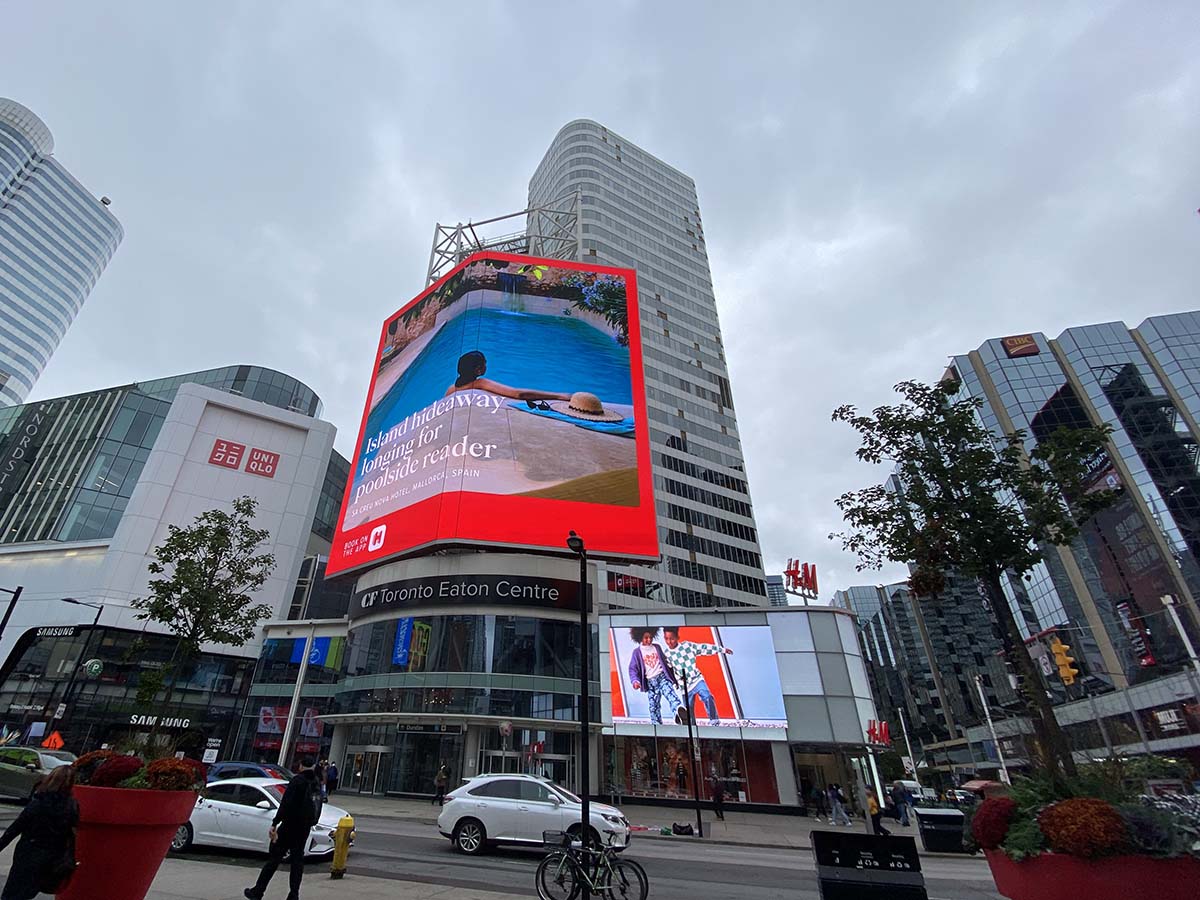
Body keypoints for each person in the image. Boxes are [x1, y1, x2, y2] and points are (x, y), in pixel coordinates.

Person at [244, 758, 322, 900]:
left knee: (274, 859)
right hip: (304, 827)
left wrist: (275, 822)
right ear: (314, 766)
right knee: (297, 861)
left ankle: (258, 891)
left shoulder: (297, 781)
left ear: (301, 766)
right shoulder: (316, 782)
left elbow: (286, 804)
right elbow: (319, 803)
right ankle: (294, 894)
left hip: (290, 825)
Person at [0, 764, 78, 899]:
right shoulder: (71, 806)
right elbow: (70, 833)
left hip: (29, 851)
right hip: (52, 855)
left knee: (13, 891)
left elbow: (17, 827)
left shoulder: (39, 802)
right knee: (29, 890)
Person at [661, 627, 733, 725]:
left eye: (672, 638)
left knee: (707, 696)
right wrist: (675, 682)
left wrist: (722, 650)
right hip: (684, 686)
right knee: (688, 712)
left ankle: (714, 721)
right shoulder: (666, 654)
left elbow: (703, 648)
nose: (669, 641)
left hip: (696, 679)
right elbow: (669, 671)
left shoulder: (687, 646)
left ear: (677, 637)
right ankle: (693, 732)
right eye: (666, 639)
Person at [444, 351, 571, 401]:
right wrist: (558, 396)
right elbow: (518, 394)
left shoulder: (451, 389)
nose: (486, 366)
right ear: (478, 370)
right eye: (484, 364)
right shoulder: (480, 384)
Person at [627, 627, 683, 725]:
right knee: (654, 706)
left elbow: (667, 664)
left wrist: (675, 679)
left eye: (651, 637)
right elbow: (632, 669)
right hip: (650, 683)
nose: (649, 640)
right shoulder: (637, 652)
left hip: (662, 678)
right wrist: (635, 681)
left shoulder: (657, 647)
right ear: (640, 638)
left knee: (670, 695)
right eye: (646, 638)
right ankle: (656, 724)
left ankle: (679, 713)